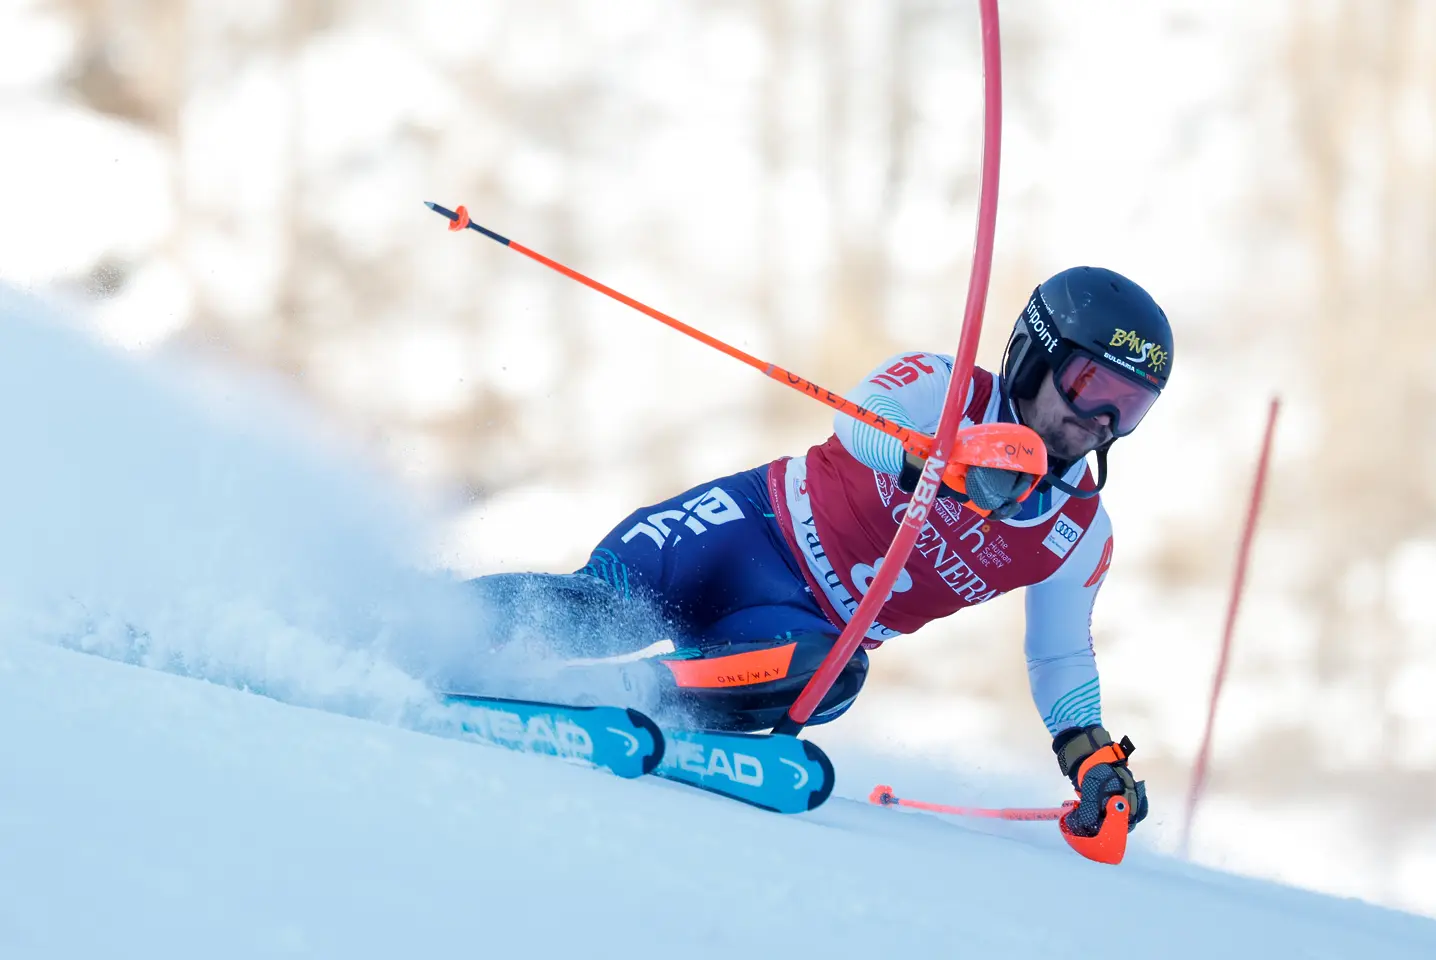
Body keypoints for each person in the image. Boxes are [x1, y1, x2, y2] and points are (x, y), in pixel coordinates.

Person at [466, 265, 1171, 836]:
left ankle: (616, 697)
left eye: (1127, 408)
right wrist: (936, 461)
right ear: (1033, 358)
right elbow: (860, 418)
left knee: (833, 675)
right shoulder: (945, 387)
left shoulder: (1079, 532)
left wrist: (1089, 757)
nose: (1097, 422)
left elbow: (1058, 654)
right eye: (1089, 387)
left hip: (794, 630)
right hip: (745, 530)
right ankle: (417, 616)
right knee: (594, 608)